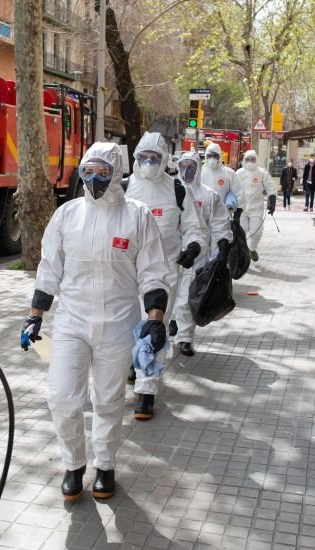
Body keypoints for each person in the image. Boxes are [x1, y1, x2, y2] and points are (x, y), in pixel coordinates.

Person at [23, 141, 169, 501]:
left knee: (108, 400)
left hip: (118, 324)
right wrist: (34, 317)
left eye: (102, 171)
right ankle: (73, 465)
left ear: (116, 172)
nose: (93, 178)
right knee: (62, 398)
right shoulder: (67, 215)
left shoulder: (137, 216)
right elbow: (49, 269)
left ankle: (105, 466)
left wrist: (155, 319)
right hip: (71, 323)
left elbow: (153, 272)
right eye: (87, 171)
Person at [124, 133, 182, 420]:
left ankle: (145, 394)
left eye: (154, 158)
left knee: (152, 329)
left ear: (164, 160)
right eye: (143, 158)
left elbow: (194, 226)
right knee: (127, 326)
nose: (148, 163)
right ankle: (132, 367)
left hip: (165, 272)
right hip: (128, 272)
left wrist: (194, 246)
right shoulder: (123, 188)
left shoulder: (177, 190)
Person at [171, 154, 232, 357]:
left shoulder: (209, 195)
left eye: (191, 166)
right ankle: (171, 324)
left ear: (198, 168)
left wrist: (222, 249)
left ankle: (185, 338)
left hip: (197, 255)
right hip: (170, 253)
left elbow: (219, 223)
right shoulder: (170, 191)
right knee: (170, 294)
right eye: (183, 165)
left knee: (187, 297)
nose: (187, 170)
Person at [235, 149, 277, 261]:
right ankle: (243, 255)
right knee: (241, 233)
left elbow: (270, 187)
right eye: (247, 159)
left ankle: (252, 249)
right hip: (241, 208)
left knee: (256, 233)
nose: (250, 161)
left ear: (256, 160)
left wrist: (272, 202)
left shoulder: (261, 173)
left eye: (252, 159)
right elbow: (232, 189)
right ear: (243, 160)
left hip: (256, 208)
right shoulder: (239, 173)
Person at [200, 142, 242, 212]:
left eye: (215, 156)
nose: (212, 159)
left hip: (222, 214)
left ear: (220, 156)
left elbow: (238, 192)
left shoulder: (229, 173)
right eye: (209, 156)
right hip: (203, 212)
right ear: (205, 156)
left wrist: (238, 211)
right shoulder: (199, 172)